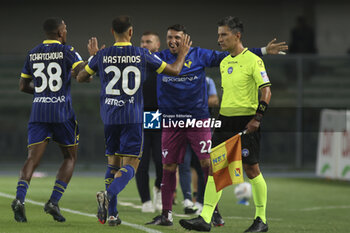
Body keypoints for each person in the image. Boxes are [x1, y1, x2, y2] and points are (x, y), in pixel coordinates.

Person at [147, 24, 286, 227]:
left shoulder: (200, 55)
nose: (173, 41)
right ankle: (171, 215)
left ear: (186, 38)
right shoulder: (160, 58)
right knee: (174, 166)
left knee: (215, 165)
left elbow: (237, 55)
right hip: (172, 121)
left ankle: (218, 214)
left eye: (177, 37)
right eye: (169, 37)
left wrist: (264, 51)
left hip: (199, 120)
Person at [76, 15, 191, 226]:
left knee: (113, 164)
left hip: (110, 117)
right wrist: (182, 54)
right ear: (131, 32)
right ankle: (109, 194)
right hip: (133, 117)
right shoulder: (142, 54)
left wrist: (93, 59)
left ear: (112, 32)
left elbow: (81, 77)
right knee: (132, 164)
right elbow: (175, 70)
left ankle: (112, 214)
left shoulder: (102, 54)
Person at [179, 16, 272, 232]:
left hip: (246, 120)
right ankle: (205, 217)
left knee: (251, 169)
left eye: (224, 35)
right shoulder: (224, 61)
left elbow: (266, 91)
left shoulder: (253, 60)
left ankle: (261, 220)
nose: (219, 39)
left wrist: (257, 118)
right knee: (215, 168)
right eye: (218, 35)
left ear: (237, 35)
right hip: (224, 121)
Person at [11, 17, 87, 223]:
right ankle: (53, 202)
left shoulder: (33, 53)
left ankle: (19, 199)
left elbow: (22, 86)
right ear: (61, 32)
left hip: (39, 111)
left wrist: (42, 92)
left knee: (32, 159)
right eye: (66, 28)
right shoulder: (68, 50)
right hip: (62, 111)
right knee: (70, 157)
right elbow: (84, 74)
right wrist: (93, 61)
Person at [178, 76, 219, 215]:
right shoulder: (179, 79)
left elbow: (214, 100)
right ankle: (188, 200)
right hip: (182, 126)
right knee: (183, 163)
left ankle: (201, 201)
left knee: (204, 165)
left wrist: (196, 104)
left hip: (201, 127)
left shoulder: (207, 81)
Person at [137, 31, 163, 213]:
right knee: (142, 162)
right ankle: (145, 200)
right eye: (142, 41)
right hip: (140, 116)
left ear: (157, 45)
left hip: (158, 116)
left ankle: (159, 191)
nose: (144, 44)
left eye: (148, 42)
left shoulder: (163, 63)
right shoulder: (136, 63)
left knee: (161, 162)